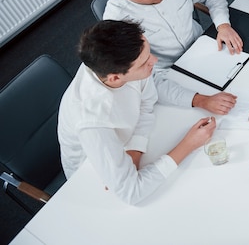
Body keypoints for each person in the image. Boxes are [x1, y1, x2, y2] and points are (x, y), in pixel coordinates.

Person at [57, 20, 216, 205]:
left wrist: (135, 150)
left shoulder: (116, 63)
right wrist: (188, 145)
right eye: (144, 63)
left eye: (149, 52)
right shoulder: (92, 120)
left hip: (127, 142)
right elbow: (131, 193)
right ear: (115, 77)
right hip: (93, 175)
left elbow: (147, 101)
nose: (154, 61)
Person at [97, 0, 241, 115]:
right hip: (169, 76)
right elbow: (146, 80)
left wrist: (223, 25)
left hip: (207, 46)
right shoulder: (116, 21)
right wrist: (199, 100)